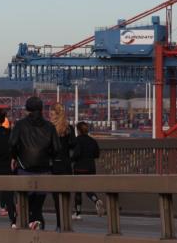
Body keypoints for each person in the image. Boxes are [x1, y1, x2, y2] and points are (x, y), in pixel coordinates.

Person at [9, 97, 60, 230]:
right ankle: (35, 221)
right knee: (38, 203)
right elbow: (57, 148)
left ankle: (24, 222)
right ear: (42, 109)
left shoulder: (20, 125)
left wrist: (15, 157)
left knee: (24, 200)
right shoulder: (50, 126)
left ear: (27, 109)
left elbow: (12, 143)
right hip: (44, 169)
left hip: (24, 167)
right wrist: (49, 158)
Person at [49, 102, 75, 230]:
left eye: (52, 114)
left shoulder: (49, 129)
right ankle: (67, 224)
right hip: (66, 165)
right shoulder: (69, 129)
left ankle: (59, 224)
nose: (50, 116)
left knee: (56, 198)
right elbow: (73, 145)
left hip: (54, 166)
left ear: (56, 115)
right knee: (66, 197)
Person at [72, 121, 105, 218]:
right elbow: (96, 155)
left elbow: (76, 154)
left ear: (78, 130)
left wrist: (72, 159)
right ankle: (96, 200)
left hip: (79, 168)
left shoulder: (77, 140)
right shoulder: (93, 141)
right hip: (91, 168)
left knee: (78, 191)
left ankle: (78, 213)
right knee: (88, 189)